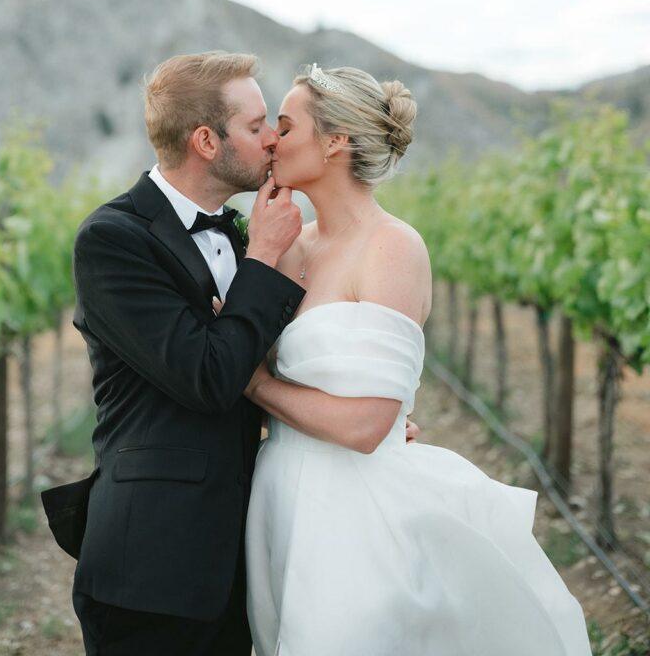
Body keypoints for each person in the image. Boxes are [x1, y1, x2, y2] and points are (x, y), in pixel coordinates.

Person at [244, 62, 592, 656]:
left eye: (285, 124)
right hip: (278, 500)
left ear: (334, 141)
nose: (271, 139)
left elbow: (365, 424)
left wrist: (253, 385)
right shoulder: (287, 244)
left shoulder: (392, 247)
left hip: (358, 512)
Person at [58, 51, 306, 656]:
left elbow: (265, 360)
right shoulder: (113, 239)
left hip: (236, 556)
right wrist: (264, 261)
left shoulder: (238, 233)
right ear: (204, 140)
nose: (273, 138)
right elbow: (209, 377)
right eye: (256, 126)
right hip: (152, 566)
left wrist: (361, 413)